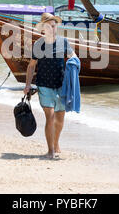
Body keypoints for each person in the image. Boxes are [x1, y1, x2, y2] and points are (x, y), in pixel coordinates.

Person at [24, 13, 77, 159]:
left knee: (60, 119)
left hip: (61, 85)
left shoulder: (63, 42)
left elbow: (74, 57)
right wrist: (28, 85)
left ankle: (56, 143)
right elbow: (31, 66)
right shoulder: (38, 44)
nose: (52, 29)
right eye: (48, 26)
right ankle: (50, 150)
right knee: (51, 117)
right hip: (44, 85)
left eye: (54, 26)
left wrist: (74, 63)